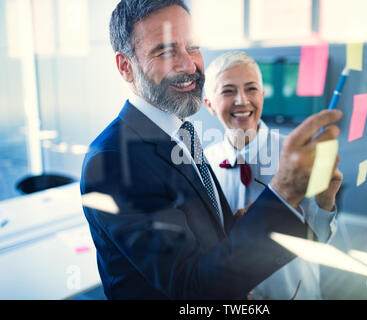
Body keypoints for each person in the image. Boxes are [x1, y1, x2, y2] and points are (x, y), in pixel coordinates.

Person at [80, 0, 343, 299]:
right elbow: (191, 288)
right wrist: (283, 192)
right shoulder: (113, 160)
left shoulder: (183, 132)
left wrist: (238, 230)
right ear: (126, 67)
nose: (189, 65)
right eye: (165, 51)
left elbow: (204, 239)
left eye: (193, 47)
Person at [203, 51, 342, 299]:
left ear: (263, 96)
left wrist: (325, 203)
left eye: (251, 89)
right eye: (228, 91)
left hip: (294, 290)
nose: (242, 100)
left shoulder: (298, 155)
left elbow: (319, 240)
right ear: (209, 105)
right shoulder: (202, 165)